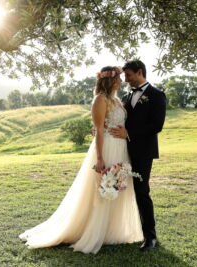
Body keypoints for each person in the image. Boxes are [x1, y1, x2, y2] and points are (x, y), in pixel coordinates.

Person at [19, 66, 143, 254]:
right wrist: (100, 157)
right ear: (111, 80)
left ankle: (112, 230)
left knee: (117, 186)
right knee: (103, 187)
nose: (122, 80)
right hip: (107, 147)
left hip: (120, 148)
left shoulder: (117, 100)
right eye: (119, 77)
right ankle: (94, 231)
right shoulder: (100, 100)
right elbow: (99, 130)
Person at [110, 60, 166, 251]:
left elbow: (157, 125)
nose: (125, 79)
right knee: (117, 189)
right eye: (124, 76)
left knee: (142, 191)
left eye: (128, 75)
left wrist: (130, 133)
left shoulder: (157, 95)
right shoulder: (126, 95)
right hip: (121, 151)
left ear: (139, 72)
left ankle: (150, 237)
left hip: (143, 152)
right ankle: (116, 230)